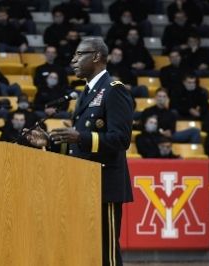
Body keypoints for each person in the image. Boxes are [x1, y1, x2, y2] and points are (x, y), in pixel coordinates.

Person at [25, 37, 133, 266]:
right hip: (84, 184)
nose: (73, 60)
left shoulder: (114, 90)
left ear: (96, 57)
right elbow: (79, 143)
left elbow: (121, 140)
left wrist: (80, 137)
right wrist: (50, 142)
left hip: (105, 184)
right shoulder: (85, 93)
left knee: (108, 253)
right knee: (86, 249)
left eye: (78, 54)